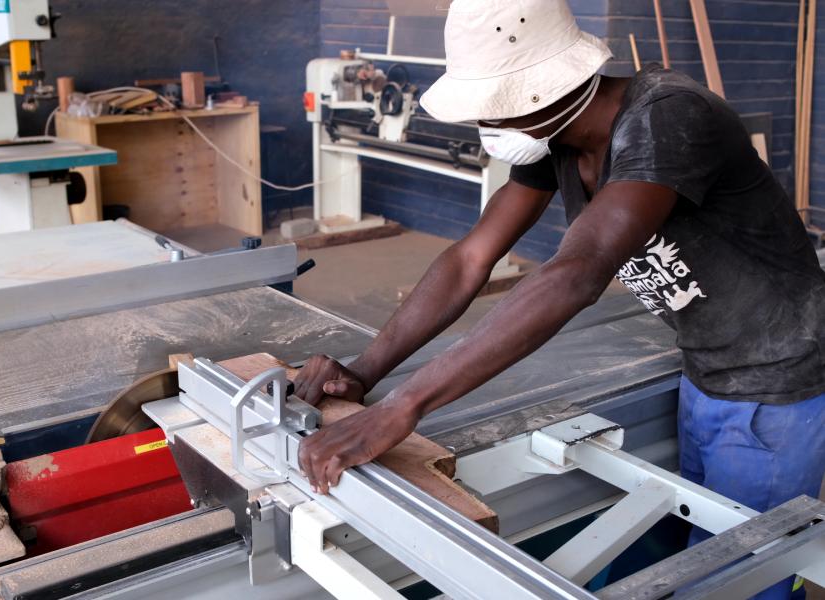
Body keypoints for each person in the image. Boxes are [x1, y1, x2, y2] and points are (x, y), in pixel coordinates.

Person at [295, 1, 825, 597]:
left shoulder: (668, 118)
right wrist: (366, 373)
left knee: (743, 578)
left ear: (547, 88)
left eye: (495, 109)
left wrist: (406, 407)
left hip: (776, 383)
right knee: (694, 556)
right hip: (706, 368)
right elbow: (472, 258)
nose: (485, 127)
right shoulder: (560, 139)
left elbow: (576, 272)